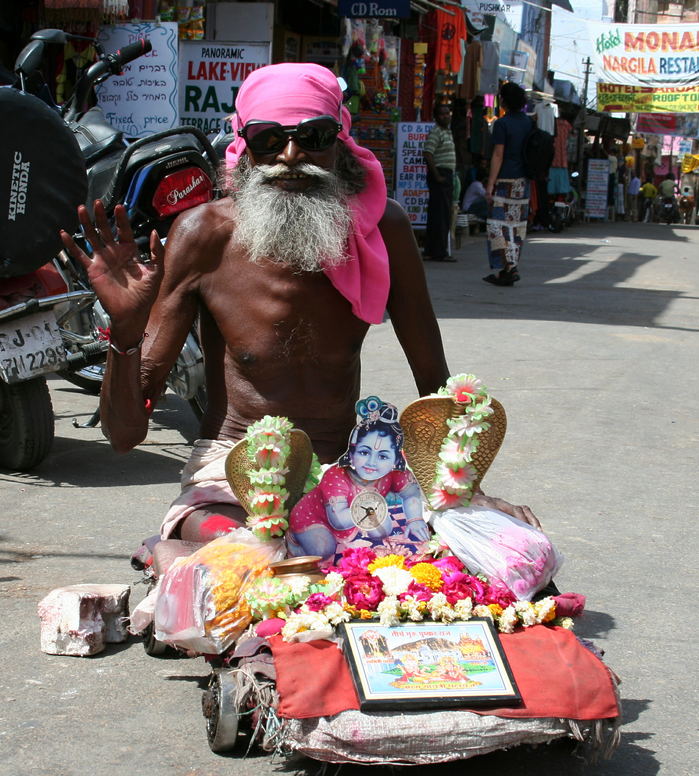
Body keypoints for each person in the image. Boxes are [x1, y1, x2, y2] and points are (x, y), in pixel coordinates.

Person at [61, 62, 539, 547]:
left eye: (313, 135)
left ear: (341, 141)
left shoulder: (384, 229)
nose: (290, 155)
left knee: (508, 551)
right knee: (241, 552)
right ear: (245, 146)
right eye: (269, 139)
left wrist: (467, 493)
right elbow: (124, 436)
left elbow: (434, 386)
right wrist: (124, 330)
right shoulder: (204, 233)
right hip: (231, 476)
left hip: (351, 476)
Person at [286, 397, 428, 566]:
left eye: (383, 456)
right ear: (351, 452)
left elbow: (411, 493)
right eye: (364, 452)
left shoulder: (394, 472)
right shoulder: (336, 475)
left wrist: (415, 519)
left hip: (357, 515)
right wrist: (374, 512)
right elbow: (338, 520)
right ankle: (295, 541)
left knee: (382, 533)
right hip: (315, 518)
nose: (371, 462)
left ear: (395, 459)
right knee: (322, 551)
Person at [483, 82, 531, 287]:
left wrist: (490, 184)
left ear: (505, 100)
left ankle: (507, 268)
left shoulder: (502, 124)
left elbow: (498, 154)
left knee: (497, 226)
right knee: (516, 227)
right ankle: (510, 267)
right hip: (523, 182)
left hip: (504, 181)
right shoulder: (529, 123)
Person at [423, 102, 458, 262]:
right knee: (440, 214)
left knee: (442, 213)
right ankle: (438, 251)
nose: (446, 116)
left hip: (446, 175)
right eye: (442, 114)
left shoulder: (447, 132)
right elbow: (428, 153)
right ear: (436, 117)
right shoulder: (436, 132)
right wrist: (437, 175)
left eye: (447, 113)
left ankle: (434, 249)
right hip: (441, 175)